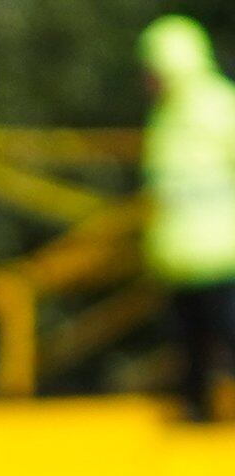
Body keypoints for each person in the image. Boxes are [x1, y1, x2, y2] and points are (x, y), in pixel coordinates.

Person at [150, 14, 235, 420]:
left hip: (224, 255)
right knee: (191, 351)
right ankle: (196, 415)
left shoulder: (220, 104)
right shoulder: (165, 115)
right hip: (181, 260)